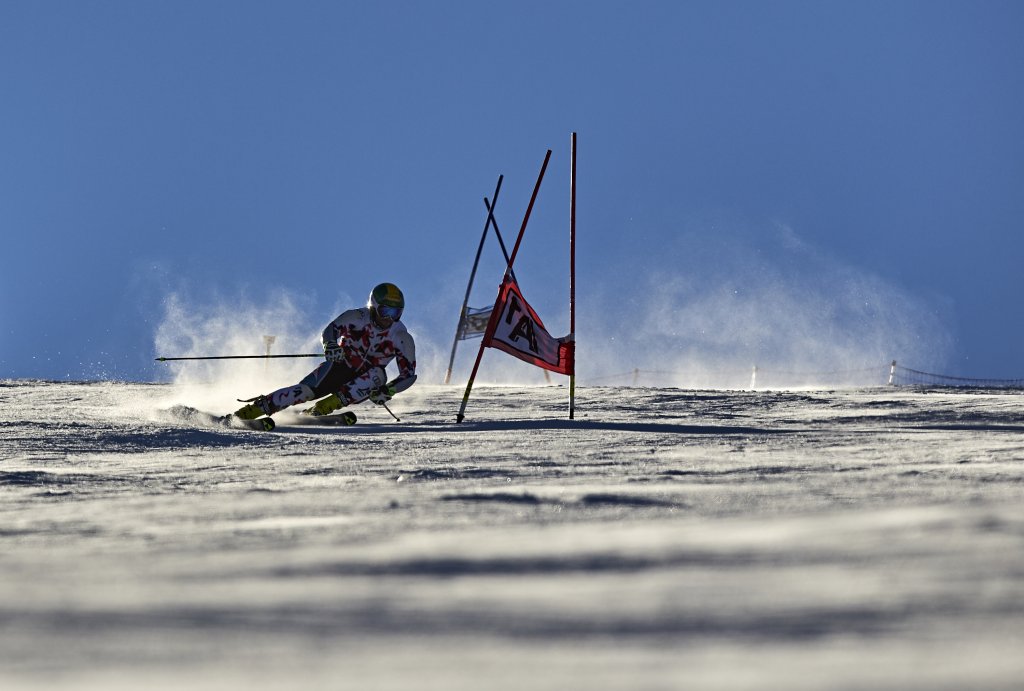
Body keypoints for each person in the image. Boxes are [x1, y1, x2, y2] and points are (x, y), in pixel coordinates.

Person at [232, 282, 416, 421]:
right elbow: (331, 330)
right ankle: (251, 411)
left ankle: (322, 409)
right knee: (303, 391)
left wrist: (388, 390)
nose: (389, 318)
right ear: (374, 306)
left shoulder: (401, 337)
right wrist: (330, 345)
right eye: (385, 311)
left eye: (395, 313)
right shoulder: (358, 317)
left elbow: (408, 375)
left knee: (378, 375)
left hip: (364, 379)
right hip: (339, 366)